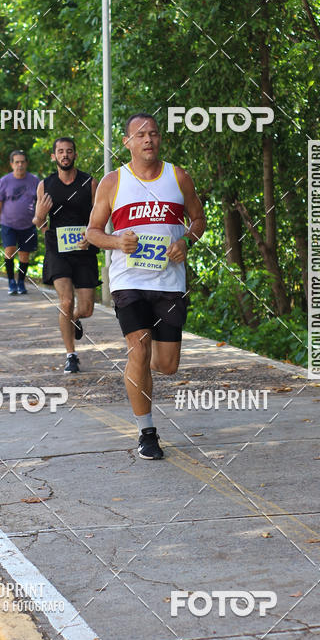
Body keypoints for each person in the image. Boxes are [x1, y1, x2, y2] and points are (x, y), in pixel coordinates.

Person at [86, 114, 206, 459]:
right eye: (140, 135)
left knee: (166, 365)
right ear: (127, 143)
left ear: (160, 139)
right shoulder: (113, 181)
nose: (148, 139)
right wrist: (115, 241)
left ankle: (143, 371)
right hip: (129, 281)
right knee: (138, 350)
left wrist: (187, 240)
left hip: (169, 281)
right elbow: (93, 232)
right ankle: (147, 432)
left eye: (153, 134)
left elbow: (198, 219)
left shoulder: (178, 176)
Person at [32, 137, 99, 374]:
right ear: (54, 157)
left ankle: (74, 319)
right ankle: (71, 355)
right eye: (60, 152)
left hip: (84, 249)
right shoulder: (45, 185)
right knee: (66, 302)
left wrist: (91, 235)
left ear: (75, 155)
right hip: (57, 249)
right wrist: (40, 216)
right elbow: (38, 222)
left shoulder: (90, 182)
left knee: (87, 308)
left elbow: (99, 215)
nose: (65, 155)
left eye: (69, 151)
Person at [0, 150, 39, 295]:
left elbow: (40, 202)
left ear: (26, 163)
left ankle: (21, 282)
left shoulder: (34, 180)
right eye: (17, 162)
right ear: (11, 164)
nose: (20, 165)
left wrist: (41, 220)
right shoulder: (4, 181)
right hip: (8, 223)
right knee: (9, 251)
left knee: (24, 255)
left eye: (22, 162)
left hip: (28, 225)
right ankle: (11, 281)